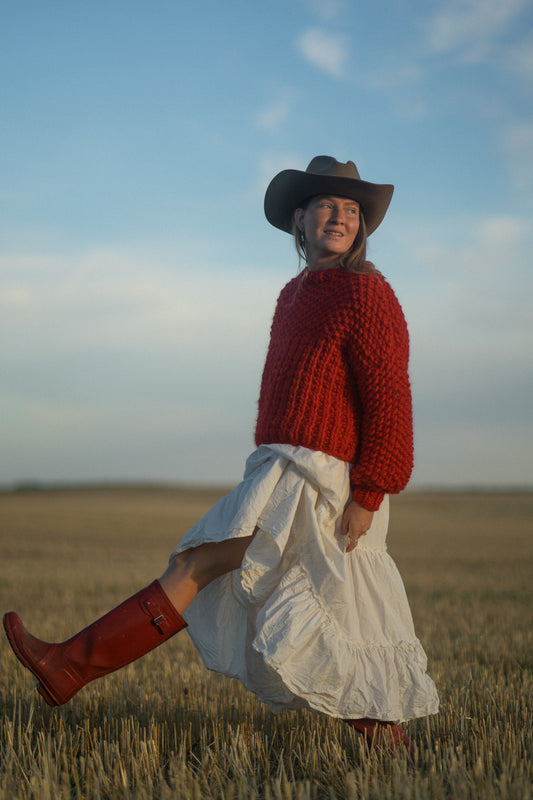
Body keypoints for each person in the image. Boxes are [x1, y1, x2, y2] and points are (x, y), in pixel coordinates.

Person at [3, 156, 438, 756]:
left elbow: (390, 401)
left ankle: (68, 666)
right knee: (281, 602)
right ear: (300, 220)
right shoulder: (294, 294)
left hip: (325, 482)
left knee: (226, 577)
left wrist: (369, 495)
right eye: (326, 206)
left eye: (351, 210)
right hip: (279, 470)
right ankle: (66, 668)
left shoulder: (368, 294)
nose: (338, 217)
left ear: (361, 227)